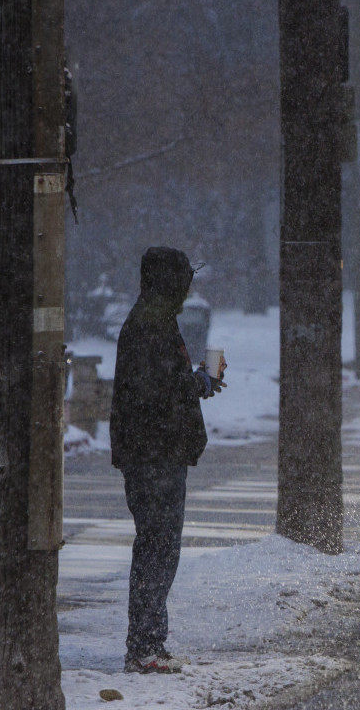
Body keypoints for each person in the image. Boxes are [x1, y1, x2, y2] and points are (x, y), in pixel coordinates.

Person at [110, 246, 224, 674]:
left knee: (157, 550)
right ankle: (144, 646)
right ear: (168, 283)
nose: (186, 291)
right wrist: (198, 381)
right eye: (182, 282)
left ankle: (148, 641)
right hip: (153, 455)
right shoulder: (150, 325)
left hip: (155, 452)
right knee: (157, 550)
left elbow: (160, 386)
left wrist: (197, 382)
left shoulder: (152, 321)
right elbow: (157, 392)